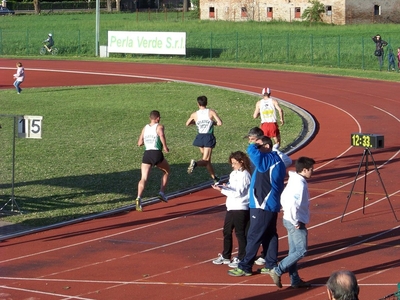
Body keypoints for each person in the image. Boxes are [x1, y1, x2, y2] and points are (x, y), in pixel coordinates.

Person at [228, 128, 287, 277]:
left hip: (263, 204)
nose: (255, 146)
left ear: (266, 147)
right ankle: (271, 263)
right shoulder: (273, 160)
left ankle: (245, 266)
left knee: (254, 235)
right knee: (270, 234)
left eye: (258, 144)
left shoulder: (268, 160)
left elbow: (251, 151)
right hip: (269, 204)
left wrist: (257, 143)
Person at [268, 156, 315, 289]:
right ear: (304, 170)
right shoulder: (299, 184)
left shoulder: (294, 180)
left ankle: (295, 280)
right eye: (311, 169)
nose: (313, 171)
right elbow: (292, 204)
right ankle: (277, 270)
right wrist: (295, 221)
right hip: (295, 221)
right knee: (301, 250)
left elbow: (284, 198)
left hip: (289, 219)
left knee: (293, 252)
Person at [211, 151, 252, 268]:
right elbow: (233, 187)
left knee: (240, 233)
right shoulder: (234, 173)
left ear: (241, 162)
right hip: (231, 206)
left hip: (240, 207)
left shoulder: (245, 175)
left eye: (234, 163)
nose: (233, 165)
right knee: (227, 231)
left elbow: (238, 192)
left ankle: (242, 257)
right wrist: (226, 186)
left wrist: (222, 190)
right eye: (232, 163)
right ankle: (226, 255)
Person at [136, 110, 170, 212]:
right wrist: (165, 147)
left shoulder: (145, 128)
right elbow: (161, 135)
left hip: (147, 154)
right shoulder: (159, 126)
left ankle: (138, 197)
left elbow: (139, 143)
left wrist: (146, 141)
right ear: (158, 118)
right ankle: (161, 193)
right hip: (156, 153)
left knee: (143, 178)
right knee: (166, 171)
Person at [186, 95, 223, 184]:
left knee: (207, 161)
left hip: (200, 137)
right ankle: (195, 164)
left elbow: (187, 123)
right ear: (206, 103)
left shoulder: (194, 114)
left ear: (198, 103)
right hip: (208, 137)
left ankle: (215, 178)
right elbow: (220, 123)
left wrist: (196, 122)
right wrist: (212, 123)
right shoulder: (211, 112)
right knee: (205, 160)